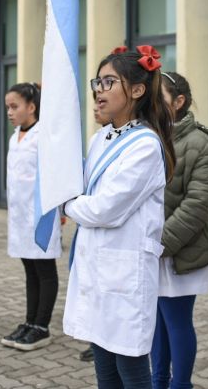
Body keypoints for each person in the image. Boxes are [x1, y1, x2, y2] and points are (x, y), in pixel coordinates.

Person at [63, 46, 175, 388]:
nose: (99, 89)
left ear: (137, 90)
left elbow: (104, 209)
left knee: (130, 366)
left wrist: (65, 203)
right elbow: (87, 195)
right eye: (98, 81)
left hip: (124, 272)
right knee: (104, 367)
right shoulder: (101, 138)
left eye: (109, 81)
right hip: (99, 267)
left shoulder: (145, 145)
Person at [152, 71, 208, 389]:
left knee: (177, 322)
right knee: (156, 324)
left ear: (179, 102)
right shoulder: (148, 136)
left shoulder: (202, 142)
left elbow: (198, 204)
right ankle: (157, 382)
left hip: (182, 250)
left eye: (159, 97)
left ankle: (181, 384)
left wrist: (159, 243)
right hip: (151, 250)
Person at [1, 83, 61, 351]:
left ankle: (42, 326)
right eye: (7, 107)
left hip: (40, 215)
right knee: (30, 270)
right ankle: (30, 321)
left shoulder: (43, 136)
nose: (10, 112)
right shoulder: (16, 136)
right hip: (20, 215)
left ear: (32, 107)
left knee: (45, 270)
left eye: (15, 107)